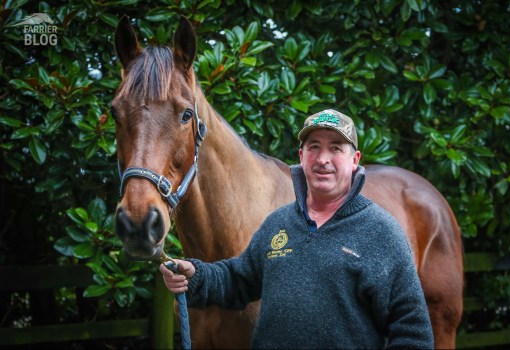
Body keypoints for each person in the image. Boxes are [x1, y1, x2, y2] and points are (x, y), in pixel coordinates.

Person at [159, 109, 434, 349]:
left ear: (354, 160)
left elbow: (413, 332)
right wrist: (197, 276)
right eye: (314, 147)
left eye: (336, 148)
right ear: (302, 156)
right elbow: (239, 280)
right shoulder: (279, 223)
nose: (323, 159)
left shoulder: (381, 232)